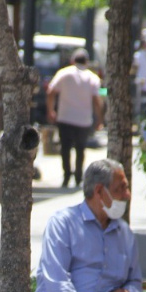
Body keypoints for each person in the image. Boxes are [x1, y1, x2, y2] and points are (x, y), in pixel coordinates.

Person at [33, 158, 146, 292]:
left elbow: (135, 281)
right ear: (99, 191)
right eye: (120, 189)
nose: (127, 195)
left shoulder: (124, 233)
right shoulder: (63, 223)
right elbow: (56, 280)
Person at [47, 48, 103, 190]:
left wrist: (51, 110)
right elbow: (97, 99)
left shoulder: (63, 73)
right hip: (83, 119)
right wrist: (100, 119)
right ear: (87, 62)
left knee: (65, 148)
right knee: (80, 149)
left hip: (65, 117)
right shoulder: (92, 78)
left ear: (73, 61)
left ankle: (66, 176)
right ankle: (78, 177)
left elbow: (50, 91)